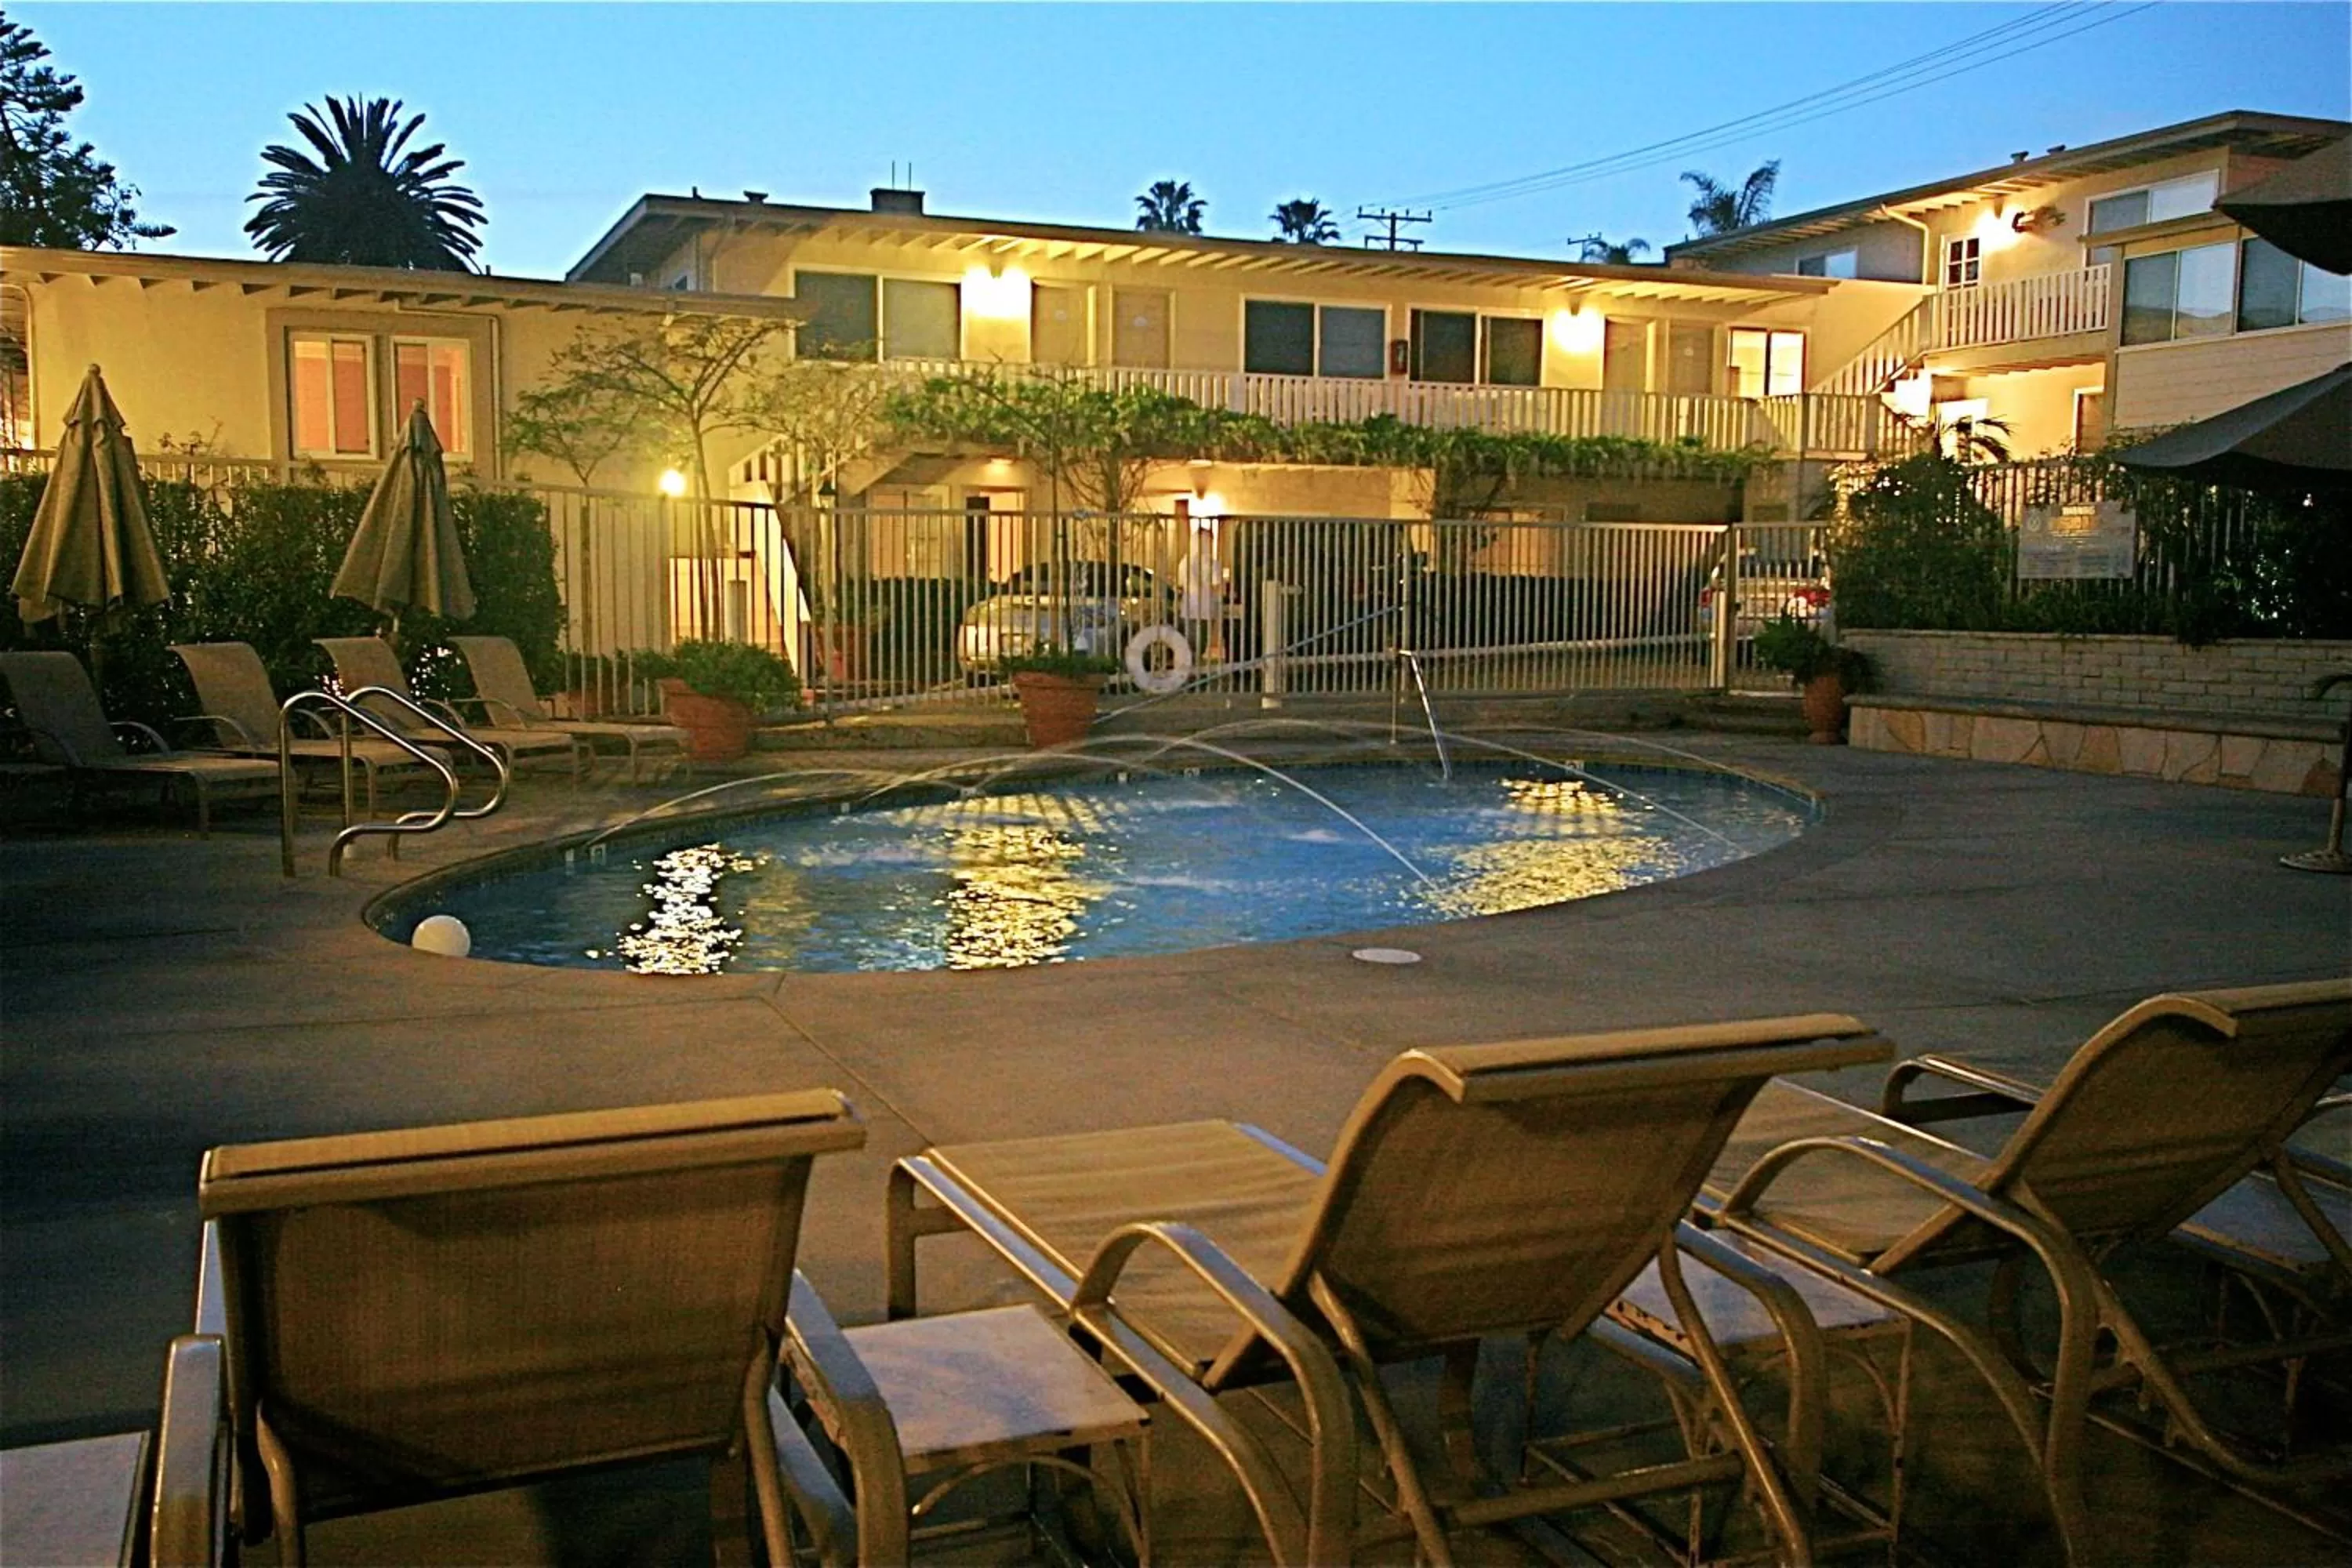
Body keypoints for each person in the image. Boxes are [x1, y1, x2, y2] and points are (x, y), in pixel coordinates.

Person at [1176, 515, 1226, 663]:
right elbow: (1218, 587)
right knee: (1200, 646)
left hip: (1187, 610)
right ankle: (1194, 670)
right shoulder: (1212, 563)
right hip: (1205, 611)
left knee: (1187, 646)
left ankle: (1186, 670)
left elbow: (1180, 585)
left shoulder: (1183, 562)